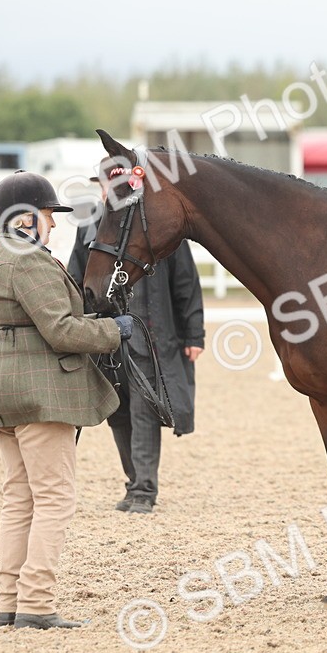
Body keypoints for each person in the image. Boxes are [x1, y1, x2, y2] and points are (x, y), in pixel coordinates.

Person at [0, 171, 133, 630]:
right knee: (55, 498)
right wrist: (113, 331)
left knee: (19, 498)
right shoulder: (28, 260)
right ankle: (37, 603)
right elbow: (60, 330)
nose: (54, 224)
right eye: (47, 214)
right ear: (24, 218)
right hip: (37, 393)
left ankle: (10, 601)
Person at [69, 177, 205, 515]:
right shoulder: (88, 227)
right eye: (104, 186)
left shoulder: (160, 223)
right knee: (117, 413)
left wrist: (194, 335)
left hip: (150, 339)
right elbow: (76, 278)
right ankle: (133, 482)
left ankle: (144, 489)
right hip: (106, 337)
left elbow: (186, 282)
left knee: (145, 412)